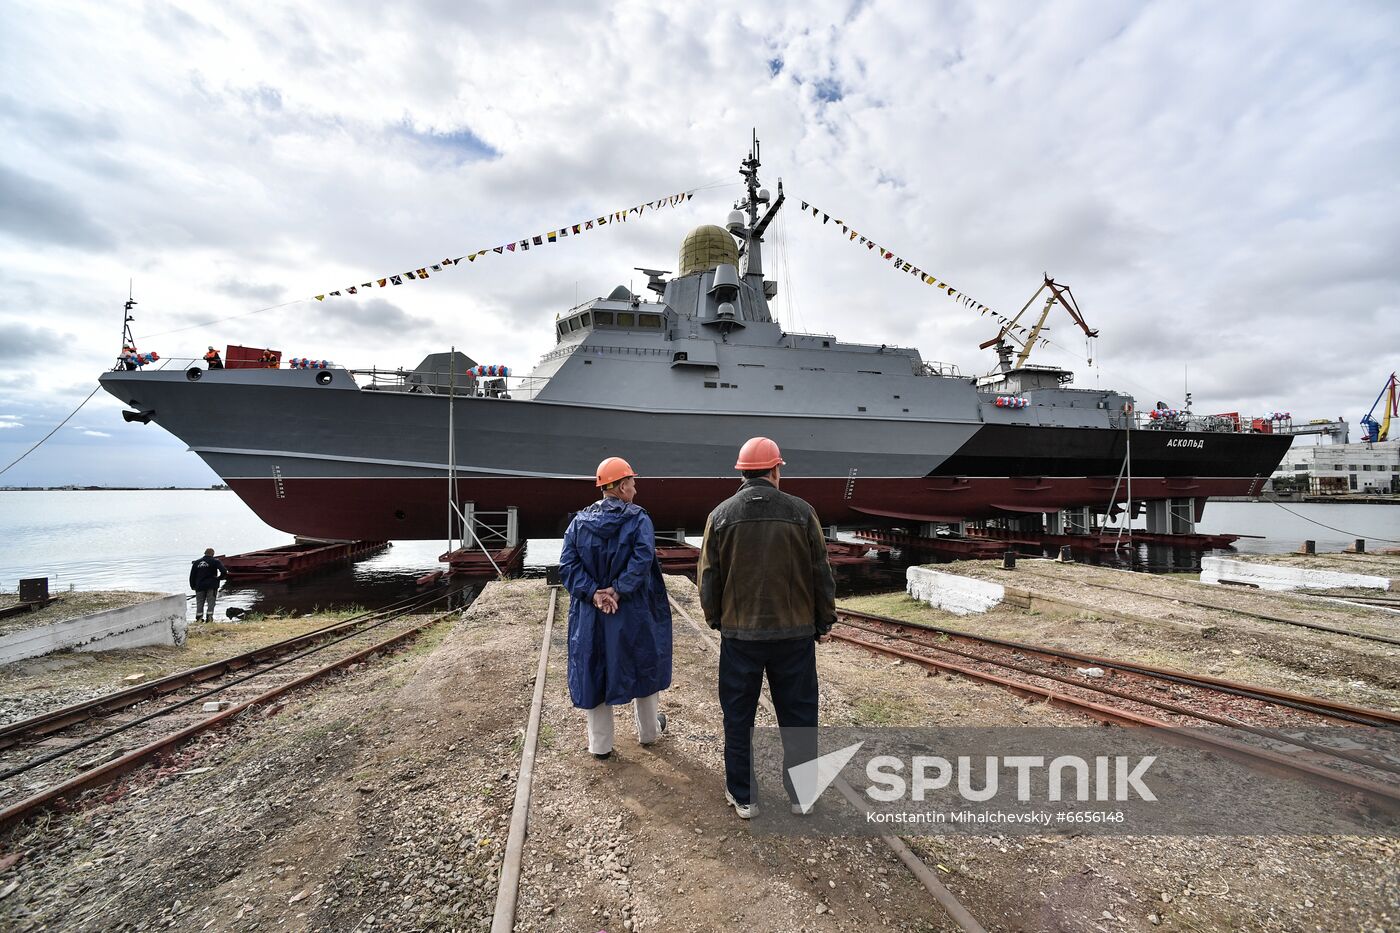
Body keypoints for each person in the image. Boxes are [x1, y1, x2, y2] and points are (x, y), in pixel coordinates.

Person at [697, 437, 836, 819]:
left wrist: (716, 619)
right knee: (799, 714)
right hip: (795, 635)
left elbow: (708, 577)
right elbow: (820, 572)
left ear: (741, 472)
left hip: (741, 637)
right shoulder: (802, 512)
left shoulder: (720, 516)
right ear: (776, 470)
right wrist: (823, 620)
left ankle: (745, 797)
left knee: (739, 716)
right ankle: (802, 794)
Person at [560, 456, 673, 760]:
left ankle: (600, 745)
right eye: (633, 483)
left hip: (592, 613)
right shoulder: (638, 520)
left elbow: (568, 567)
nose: (635, 489)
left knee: (593, 667)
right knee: (644, 664)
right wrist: (619, 590)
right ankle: (649, 733)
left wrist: (595, 594)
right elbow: (642, 560)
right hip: (634, 611)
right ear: (622, 486)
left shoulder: (578, 523)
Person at [189, 548, 228, 622]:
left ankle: (199, 618)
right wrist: (219, 578)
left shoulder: (196, 563)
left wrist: (193, 586)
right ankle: (209, 618)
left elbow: (192, 576)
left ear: (205, 553)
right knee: (211, 602)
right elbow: (224, 571)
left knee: (200, 602)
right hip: (211, 585)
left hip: (199, 585)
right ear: (213, 554)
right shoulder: (215, 561)